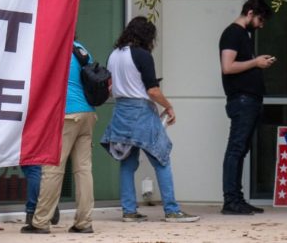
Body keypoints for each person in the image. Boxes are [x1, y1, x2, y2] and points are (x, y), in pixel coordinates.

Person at [101, 17, 200, 223]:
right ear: (147, 36)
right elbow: (153, 91)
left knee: (127, 163)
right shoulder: (142, 55)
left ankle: (129, 211)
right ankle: (172, 210)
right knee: (161, 159)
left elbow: (110, 88)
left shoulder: (114, 55)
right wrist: (168, 106)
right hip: (141, 111)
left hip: (121, 111)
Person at [27, 41, 97, 234]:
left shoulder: (53, 46)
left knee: (53, 168)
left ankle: (41, 221)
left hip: (65, 115)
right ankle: (84, 222)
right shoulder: (81, 49)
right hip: (87, 113)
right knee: (83, 170)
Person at [218, 0, 274, 215]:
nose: (261, 24)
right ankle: (231, 200)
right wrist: (256, 62)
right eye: (260, 19)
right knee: (236, 149)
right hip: (242, 100)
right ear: (250, 13)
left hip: (248, 100)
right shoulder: (233, 33)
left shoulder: (243, 35)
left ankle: (237, 198)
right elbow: (227, 67)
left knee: (240, 149)